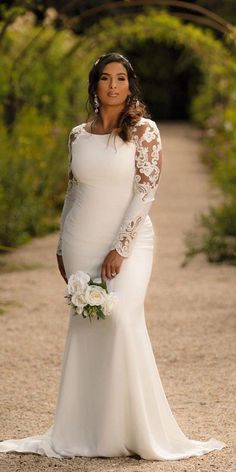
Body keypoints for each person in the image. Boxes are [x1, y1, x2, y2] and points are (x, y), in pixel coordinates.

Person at [0, 52, 226, 460]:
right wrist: (59, 247)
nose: (113, 85)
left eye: (121, 78)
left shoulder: (145, 131)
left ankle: (135, 429)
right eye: (106, 78)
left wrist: (120, 247)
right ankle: (90, 432)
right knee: (88, 329)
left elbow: (146, 192)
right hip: (80, 242)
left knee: (121, 318)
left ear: (130, 84)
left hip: (130, 243)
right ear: (95, 85)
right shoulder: (77, 135)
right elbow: (73, 192)